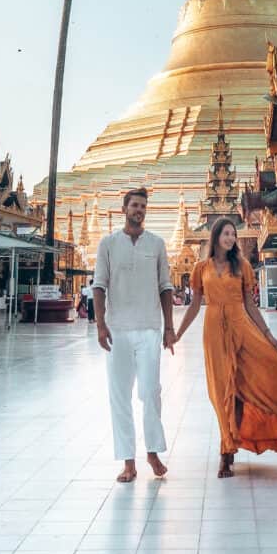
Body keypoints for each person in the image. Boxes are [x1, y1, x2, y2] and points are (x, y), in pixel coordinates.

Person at [175, 216, 277, 478]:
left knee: (249, 384)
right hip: (214, 331)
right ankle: (227, 446)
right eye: (226, 234)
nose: (230, 238)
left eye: (233, 235)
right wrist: (177, 333)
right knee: (221, 392)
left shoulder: (242, 266)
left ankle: (228, 451)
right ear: (216, 236)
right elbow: (195, 305)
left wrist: (268, 334)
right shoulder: (201, 268)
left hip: (242, 329)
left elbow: (250, 305)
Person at [93, 186, 176, 483]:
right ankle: (129, 462)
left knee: (150, 392)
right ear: (124, 209)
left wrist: (169, 328)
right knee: (119, 396)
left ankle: (153, 451)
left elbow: (166, 286)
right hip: (118, 330)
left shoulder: (156, 244)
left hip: (150, 329)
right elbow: (99, 286)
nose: (139, 210)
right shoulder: (108, 244)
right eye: (134, 205)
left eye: (143, 206)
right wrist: (100, 325)